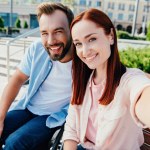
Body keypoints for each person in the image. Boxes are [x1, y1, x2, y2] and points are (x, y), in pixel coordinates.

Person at [63, 8, 150, 150]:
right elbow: (71, 129)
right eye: (78, 43)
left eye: (91, 39)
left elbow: (143, 94)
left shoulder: (129, 80)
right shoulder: (82, 80)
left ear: (110, 36)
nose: (84, 51)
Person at [0, 2, 74, 150]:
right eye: (44, 33)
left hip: (51, 117)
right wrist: (0, 117)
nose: (51, 40)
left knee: (15, 143)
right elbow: (17, 79)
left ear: (72, 29)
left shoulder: (85, 59)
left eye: (58, 31)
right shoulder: (37, 48)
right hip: (27, 107)